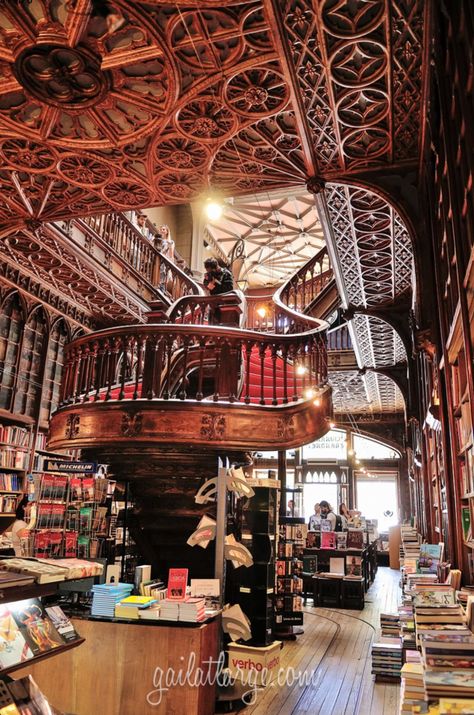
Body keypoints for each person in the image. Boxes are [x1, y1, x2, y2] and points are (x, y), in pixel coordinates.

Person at [203, 257, 234, 324]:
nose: (208, 273)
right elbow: (206, 285)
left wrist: (216, 283)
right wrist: (211, 283)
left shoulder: (226, 274)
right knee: (211, 324)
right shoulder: (209, 274)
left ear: (215, 268)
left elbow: (229, 289)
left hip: (223, 304)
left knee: (221, 324)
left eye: (210, 271)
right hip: (212, 303)